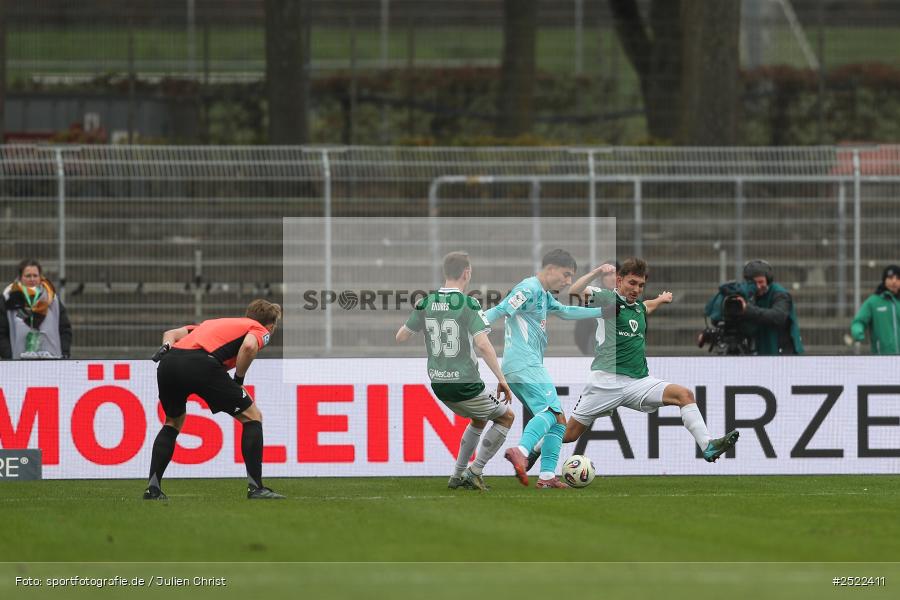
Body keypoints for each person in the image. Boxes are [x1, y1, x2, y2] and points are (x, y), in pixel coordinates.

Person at [530, 258, 739, 468]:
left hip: (639, 382)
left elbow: (646, 306)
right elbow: (574, 291)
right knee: (569, 434)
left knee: (684, 395)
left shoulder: (638, 307)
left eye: (640, 285)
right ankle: (535, 449)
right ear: (619, 281)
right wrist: (597, 272)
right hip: (605, 382)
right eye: (631, 283)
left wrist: (661, 299)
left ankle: (708, 446)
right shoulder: (606, 299)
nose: (636, 289)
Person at [483, 249, 609, 489]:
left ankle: (548, 475)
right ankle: (521, 450)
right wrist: (475, 326)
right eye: (566, 275)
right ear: (550, 269)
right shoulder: (528, 288)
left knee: (559, 420)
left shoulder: (542, 293)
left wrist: (603, 312)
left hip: (521, 366)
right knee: (551, 412)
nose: (569, 282)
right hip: (525, 363)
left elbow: (565, 311)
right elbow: (500, 309)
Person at [396, 252, 515, 491]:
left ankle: (457, 476)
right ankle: (475, 471)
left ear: (445, 273)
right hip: (465, 383)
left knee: (479, 418)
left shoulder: (425, 302)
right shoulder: (468, 304)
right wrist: (502, 379)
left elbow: (401, 336)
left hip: (439, 383)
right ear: (467, 273)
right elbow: (482, 344)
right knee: (506, 417)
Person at [143, 299, 283, 500]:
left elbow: (171, 334)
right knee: (253, 416)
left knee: (173, 422)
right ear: (271, 324)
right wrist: (239, 380)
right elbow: (249, 347)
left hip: (169, 363)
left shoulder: (210, 324)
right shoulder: (259, 328)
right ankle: (256, 488)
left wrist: (166, 345)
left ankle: (152, 489)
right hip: (201, 364)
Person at [703, 260, 804, 355]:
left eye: (761, 282)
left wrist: (746, 309)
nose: (758, 286)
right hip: (762, 353)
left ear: (768, 280)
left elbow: (778, 316)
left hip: (783, 354)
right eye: (754, 283)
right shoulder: (748, 295)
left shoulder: (780, 294)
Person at [1, 259, 72, 359]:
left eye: (35, 275)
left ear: (40, 277)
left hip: (52, 361)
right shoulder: (9, 299)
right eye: (28, 276)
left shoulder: (52, 299)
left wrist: (64, 352)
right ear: (20, 277)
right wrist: (8, 356)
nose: (32, 279)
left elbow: (65, 328)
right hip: (18, 364)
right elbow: (1, 332)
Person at [851, 264, 899, 355]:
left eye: (898, 278)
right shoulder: (873, 302)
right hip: (881, 358)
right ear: (884, 280)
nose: (894, 281)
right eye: (890, 278)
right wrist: (857, 330)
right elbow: (859, 321)